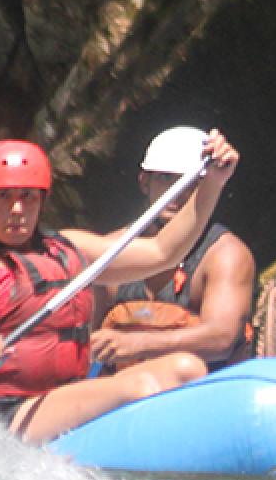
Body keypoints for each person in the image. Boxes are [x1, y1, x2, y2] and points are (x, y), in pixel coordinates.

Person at [0, 131, 239, 442]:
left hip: (59, 397)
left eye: (28, 197)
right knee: (141, 387)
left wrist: (213, 183)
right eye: (3, 197)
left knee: (187, 367)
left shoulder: (69, 249)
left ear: (42, 200)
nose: (17, 210)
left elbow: (163, 252)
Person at [93, 125, 256, 373]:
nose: (177, 193)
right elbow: (83, 333)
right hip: (121, 396)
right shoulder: (112, 248)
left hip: (200, 394)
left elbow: (222, 338)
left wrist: (140, 343)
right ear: (144, 181)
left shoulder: (226, 254)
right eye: (166, 178)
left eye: (189, 183)